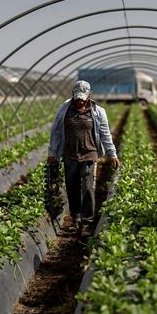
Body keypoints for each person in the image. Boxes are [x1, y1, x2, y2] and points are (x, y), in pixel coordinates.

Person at [47, 80, 119, 234]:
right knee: (72, 187)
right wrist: (52, 152)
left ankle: (86, 222)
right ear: (73, 96)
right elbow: (56, 132)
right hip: (69, 154)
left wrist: (112, 154)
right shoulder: (64, 109)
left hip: (89, 154)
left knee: (87, 188)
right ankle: (75, 218)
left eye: (82, 99)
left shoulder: (98, 112)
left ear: (89, 96)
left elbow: (105, 134)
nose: (79, 102)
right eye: (77, 98)